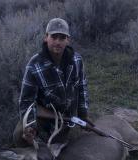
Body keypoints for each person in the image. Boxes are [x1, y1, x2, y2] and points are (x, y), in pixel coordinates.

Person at [13, 18, 89, 147]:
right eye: (54, 37)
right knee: (20, 135)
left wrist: (83, 115)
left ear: (68, 40)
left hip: (67, 118)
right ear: (46, 38)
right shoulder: (34, 65)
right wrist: (30, 125)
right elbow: (26, 102)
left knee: (66, 146)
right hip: (44, 117)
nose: (57, 42)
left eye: (62, 37)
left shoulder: (77, 60)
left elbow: (82, 88)